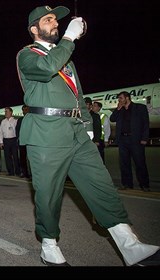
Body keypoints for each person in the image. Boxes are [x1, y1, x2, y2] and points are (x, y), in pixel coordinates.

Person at [16, 5, 159, 266]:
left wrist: (86, 123)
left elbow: (77, 94)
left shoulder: (66, 60)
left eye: (57, 20)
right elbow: (47, 68)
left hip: (76, 133)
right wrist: (70, 38)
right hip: (46, 133)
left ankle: (130, 245)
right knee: (48, 194)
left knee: (100, 184)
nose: (55, 23)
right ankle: (49, 246)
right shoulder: (27, 56)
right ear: (34, 29)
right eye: (48, 20)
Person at [110, 91, 151, 192]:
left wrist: (144, 138)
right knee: (124, 164)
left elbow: (146, 123)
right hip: (123, 140)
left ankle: (144, 185)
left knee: (140, 163)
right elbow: (112, 119)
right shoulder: (120, 109)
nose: (119, 100)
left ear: (127, 98)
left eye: (121, 98)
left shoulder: (140, 108)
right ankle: (127, 184)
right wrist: (118, 109)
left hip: (136, 140)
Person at [0, 107, 20, 176]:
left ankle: (17, 172)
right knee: (7, 157)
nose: (5, 113)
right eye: (5, 111)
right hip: (6, 141)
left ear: (11, 112)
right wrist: (1, 142)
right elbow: (0, 132)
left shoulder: (15, 121)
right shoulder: (3, 121)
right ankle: (10, 172)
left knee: (15, 157)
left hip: (13, 140)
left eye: (7, 111)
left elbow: (17, 131)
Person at [15, 105, 31, 178]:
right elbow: (17, 130)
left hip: (30, 143)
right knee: (22, 159)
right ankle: (24, 173)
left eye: (26, 109)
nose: (25, 111)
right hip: (22, 143)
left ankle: (32, 173)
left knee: (31, 159)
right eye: (23, 110)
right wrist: (18, 139)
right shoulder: (20, 120)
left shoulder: (32, 119)